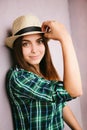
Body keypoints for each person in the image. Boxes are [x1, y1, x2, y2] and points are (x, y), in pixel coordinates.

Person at [5, 14, 82, 130]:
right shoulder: (18, 77)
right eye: (26, 44)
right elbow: (74, 91)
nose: (34, 50)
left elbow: (60, 103)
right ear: (17, 47)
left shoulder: (43, 73)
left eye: (39, 41)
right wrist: (65, 38)